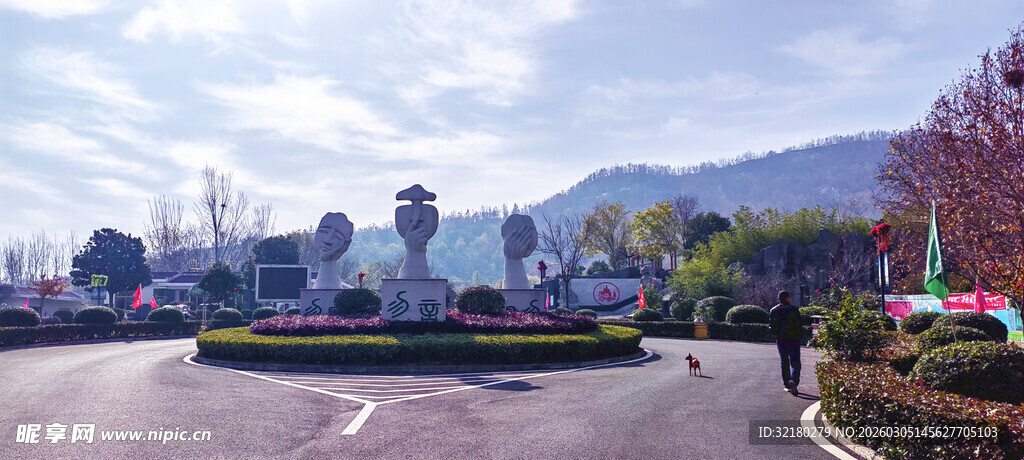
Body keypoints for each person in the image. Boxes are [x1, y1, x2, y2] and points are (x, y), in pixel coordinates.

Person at [769, 290, 802, 396]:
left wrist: (775, 333)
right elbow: (799, 324)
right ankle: (794, 380)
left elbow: (772, 327)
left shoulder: (774, 310)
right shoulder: (794, 309)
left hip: (781, 339)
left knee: (784, 362)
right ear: (788, 298)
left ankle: (787, 384)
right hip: (794, 338)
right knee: (795, 362)